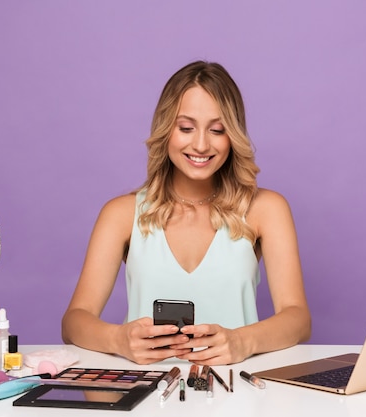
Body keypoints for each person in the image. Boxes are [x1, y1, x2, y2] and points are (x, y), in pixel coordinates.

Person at [62, 61, 311, 365]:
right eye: (186, 128)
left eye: (217, 130)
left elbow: (298, 319)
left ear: (233, 136)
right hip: (144, 393)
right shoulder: (120, 214)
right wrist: (118, 340)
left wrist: (243, 341)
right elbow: (74, 322)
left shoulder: (266, 210)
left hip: (237, 393)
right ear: (166, 130)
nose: (202, 144)